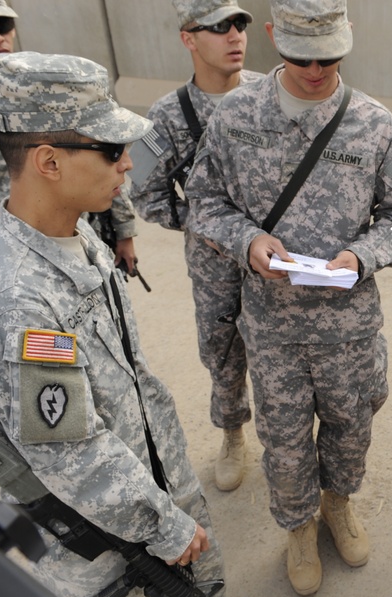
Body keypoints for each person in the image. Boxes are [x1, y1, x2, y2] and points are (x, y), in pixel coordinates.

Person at [0, 51, 286, 597]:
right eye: (109, 148)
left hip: (149, 459)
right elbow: (68, 452)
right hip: (100, 518)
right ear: (49, 162)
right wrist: (160, 524)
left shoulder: (77, 230)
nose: (128, 162)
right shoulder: (15, 301)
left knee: (195, 573)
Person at [186, 0, 392, 597]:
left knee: (351, 426)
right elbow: (204, 203)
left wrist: (362, 256)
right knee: (285, 438)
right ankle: (297, 528)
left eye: (329, 57)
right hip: (271, 326)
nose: (316, 70)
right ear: (272, 37)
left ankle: (338, 506)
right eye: (300, 57)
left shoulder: (375, 123)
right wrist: (247, 241)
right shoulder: (235, 116)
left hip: (347, 325)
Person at [129, 0, 262, 492]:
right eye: (218, 27)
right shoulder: (162, 117)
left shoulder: (271, 93)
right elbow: (142, 190)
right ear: (189, 38)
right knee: (223, 353)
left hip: (276, 256)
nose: (235, 36)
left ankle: (283, 438)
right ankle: (232, 435)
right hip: (213, 266)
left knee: (283, 352)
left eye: (240, 24)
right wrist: (202, 224)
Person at [0, 0, 140, 273]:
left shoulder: (51, 83)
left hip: (86, 236)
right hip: (22, 257)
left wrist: (123, 229)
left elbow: (105, 150)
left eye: (4, 25)